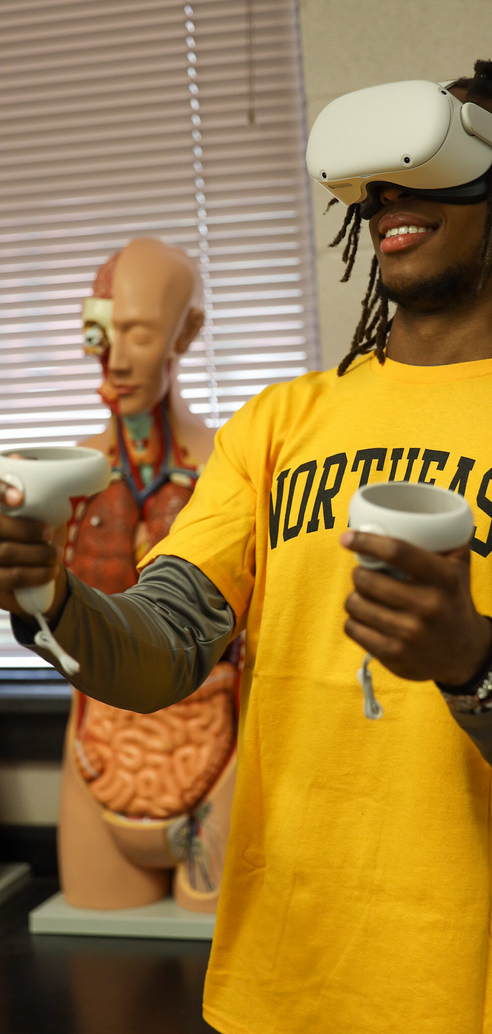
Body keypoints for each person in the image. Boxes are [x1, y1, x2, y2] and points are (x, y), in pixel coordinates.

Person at [1, 60, 492, 1034]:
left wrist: (471, 659)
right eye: (381, 174)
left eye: (438, 157)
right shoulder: (280, 422)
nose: (389, 191)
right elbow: (159, 651)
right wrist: (53, 598)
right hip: (276, 987)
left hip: (487, 1003)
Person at [58, 238, 240, 913]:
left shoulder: (232, 466)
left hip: (219, 756)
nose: (118, 357)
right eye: (105, 332)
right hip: (96, 749)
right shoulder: (65, 476)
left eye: (140, 332)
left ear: (184, 333)